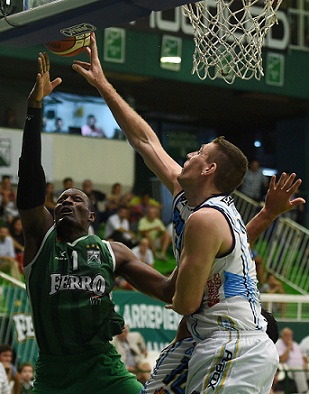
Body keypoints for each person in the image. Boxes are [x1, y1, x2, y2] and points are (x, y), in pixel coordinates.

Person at [72, 32, 306, 394]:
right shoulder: (194, 203)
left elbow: (182, 300)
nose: (188, 156)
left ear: (209, 169)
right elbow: (145, 140)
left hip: (234, 343)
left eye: (198, 152)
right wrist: (103, 84)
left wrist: (134, 266)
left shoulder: (207, 218)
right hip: (203, 338)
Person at [16, 51, 177, 394]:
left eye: (76, 199)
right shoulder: (40, 240)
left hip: (103, 368)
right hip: (54, 371)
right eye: (61, 198)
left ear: (91, 216)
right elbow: (30, 183)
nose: (66, 200)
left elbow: (167, 290)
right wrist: (34, 111)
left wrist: (198, 240)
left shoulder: (112, 251)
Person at [276, 327, 309, 394]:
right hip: (289, 368)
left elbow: (302, 357)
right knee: (298, 369)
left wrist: (305, 363)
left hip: (302, 366)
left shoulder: (295, 344)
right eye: (286, 335)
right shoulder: (278, 344)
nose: (288, 337)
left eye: (290, 335)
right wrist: (288, 347)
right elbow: (282, 360)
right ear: (282, 336)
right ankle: (304, 392)